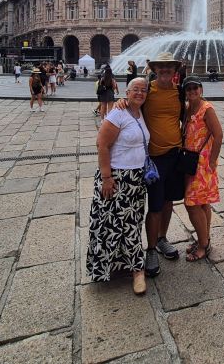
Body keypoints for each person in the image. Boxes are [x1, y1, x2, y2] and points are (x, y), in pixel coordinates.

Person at [116, 51, 185, 278]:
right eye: (161, 67)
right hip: (154, 160)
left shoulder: (179, 91)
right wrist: (122, 101)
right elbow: (132, 103)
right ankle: (151, 249)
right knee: (154, 207)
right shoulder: (148, 91)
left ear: (175, 70)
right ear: (155, 69)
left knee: (168, 202)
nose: (165, 70)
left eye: (169, 67)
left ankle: (163, 239)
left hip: (175, 155)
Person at [87, 77, 150, 294]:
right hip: (115, 178)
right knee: (110, 225)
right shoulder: (118, 113)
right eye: (135, 90)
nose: (140, 93)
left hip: (136, 180)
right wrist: (106, 177)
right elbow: (101, 144)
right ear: (127, 91)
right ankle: (112, 267)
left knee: (132, 224)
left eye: (144, 90)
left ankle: (135, 269)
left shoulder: (140, 113)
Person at [181, 77, 223, 262]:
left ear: (201, 89)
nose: (192, 91)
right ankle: (204, 238)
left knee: (191, 204)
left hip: (203, 162)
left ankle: (203, 246)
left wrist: (213, 160)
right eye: (188, 89)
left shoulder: (207, 108)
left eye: (195, 88)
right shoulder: (187, 108)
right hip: (190, 161)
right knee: (203, 202)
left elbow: (219, 134)